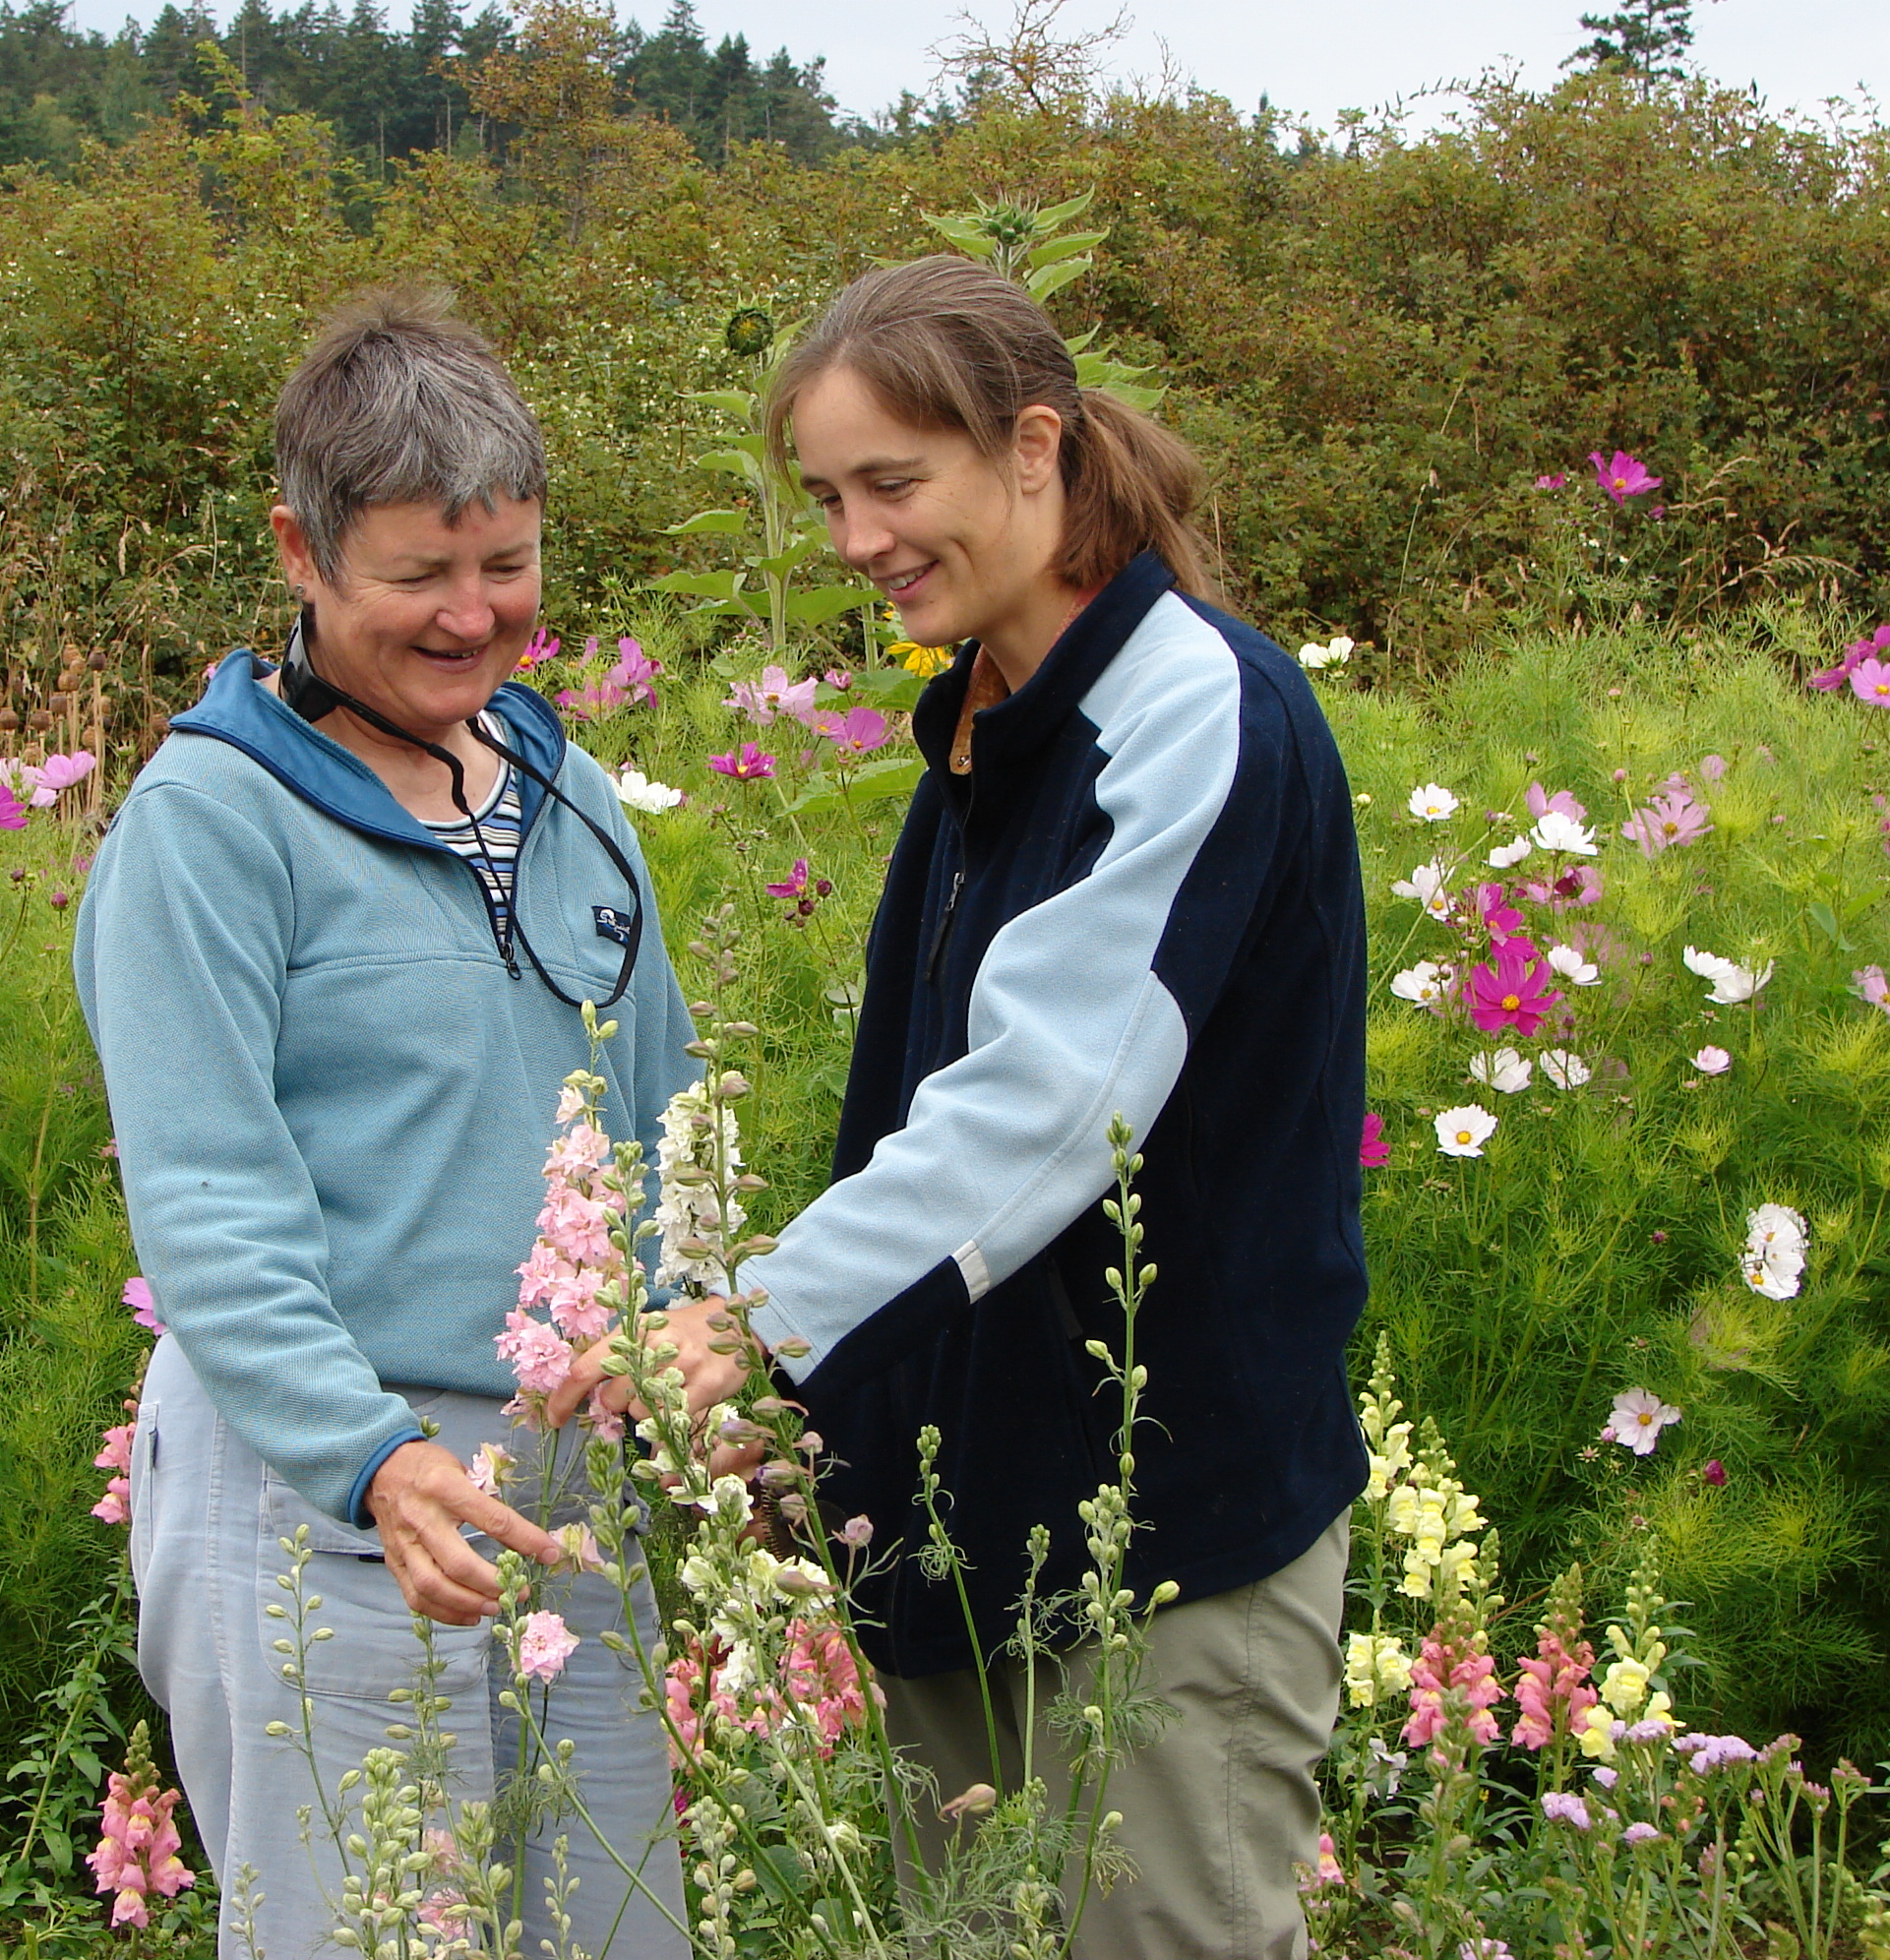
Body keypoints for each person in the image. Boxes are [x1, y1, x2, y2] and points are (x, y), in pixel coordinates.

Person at [555, 254, 1370, 1960]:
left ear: (1034, 450)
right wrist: (824, 1417)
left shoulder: (1194, 709)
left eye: (892, 484)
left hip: (1168, 1535)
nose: (857, 539)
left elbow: (1064, 1098)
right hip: (968, 1510)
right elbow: (922, 1130)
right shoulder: (988, 722)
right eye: (828, 495)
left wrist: (763, 1320)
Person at [76, 287, 695, 1960]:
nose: (471, 617)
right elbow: (208, 1199)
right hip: (323, 1489)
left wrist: (700, 1335)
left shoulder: (570, 799)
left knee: (616, 1930)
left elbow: (664, 1119)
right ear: (302, 547)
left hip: (566, 1487)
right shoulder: (212, 823)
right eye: (419, 575)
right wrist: (371, 1462)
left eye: (506, 568)